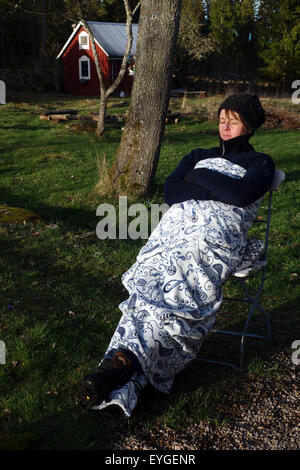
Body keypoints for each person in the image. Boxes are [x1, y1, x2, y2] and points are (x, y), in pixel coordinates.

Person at [78, 93, 275, 417]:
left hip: (213, 238)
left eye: (234, 119)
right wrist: (215, 188)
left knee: (182, 283)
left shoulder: (261, 162)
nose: (224, 125)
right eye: (222, 117)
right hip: (174, 231)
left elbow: (240, 195)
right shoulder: (199, 153)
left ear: (249, 126)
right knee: (152, 280)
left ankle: (120, 368)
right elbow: (172, 191)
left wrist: (200, 178)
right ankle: (123, 371)